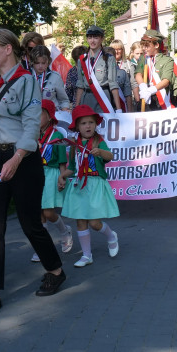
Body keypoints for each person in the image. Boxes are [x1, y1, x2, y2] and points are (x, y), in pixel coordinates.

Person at [0, 28, 66, 316]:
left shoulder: (27, 83)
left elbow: (29, 127)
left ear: (8, 50)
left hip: (23, 159)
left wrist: (17, 158)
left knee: (30, 223)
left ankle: (56, 270)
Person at [59, 104, 120, 266]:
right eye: (84, 123)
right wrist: (62, 177)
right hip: (79, 186)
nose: (88, 126)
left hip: (95, 185)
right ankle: (87, 255)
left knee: (94, 223)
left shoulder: (99, 142)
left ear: (95, 124)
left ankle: (111, 236)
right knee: (80, 221)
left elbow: (110, 156)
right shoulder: (75, 145)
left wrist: (100, 152)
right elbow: (72, 167)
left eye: (91, 123)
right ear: (77, 126)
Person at [33, 100, 73, 261]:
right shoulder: (33, 135)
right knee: (38, 214)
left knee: (48, 212)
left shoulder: (57, 135)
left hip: (51, 174)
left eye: (40, 114)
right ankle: (43, 247)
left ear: (49, 117)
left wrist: (62, 177)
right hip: (36, 174)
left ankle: (65, 232)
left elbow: (63, 160)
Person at [75, 26, 121, 113]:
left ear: (101, 39)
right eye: (90, 37)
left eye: (96, 37)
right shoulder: (82, 59)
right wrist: (76, 106)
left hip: (103, 97)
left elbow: (113, 84)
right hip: (86, 99)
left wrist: (118, 109)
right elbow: (80, 85)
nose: (92, 41)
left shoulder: (109, 59)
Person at [135, 29, 174, 110]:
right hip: (145, 98)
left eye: (147, 46)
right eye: (143, 46)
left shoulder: (167, 60)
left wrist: (151, 90)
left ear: (156, 45)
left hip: (160, 100)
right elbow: (138, 74)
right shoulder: (143, 58)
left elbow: (166, 81)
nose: (143, 48)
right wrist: (143, 86)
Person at [29, 44, 71, 111]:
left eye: (43, 63)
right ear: (32, 62)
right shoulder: (25, 77)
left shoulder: (55, 77)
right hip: (32, 116)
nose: (40, 66)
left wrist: (64, 112)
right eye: (37, 63)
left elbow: (63, 100)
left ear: (48, 62)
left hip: (51, 116)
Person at [110, 39, 135, 111]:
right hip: (111, 101)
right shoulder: (105, 65)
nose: (116, 52)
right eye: (114, 49)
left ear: (122, 50)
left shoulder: (129, 64)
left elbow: (133, 83)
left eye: (119, 49)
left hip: (126, 99)